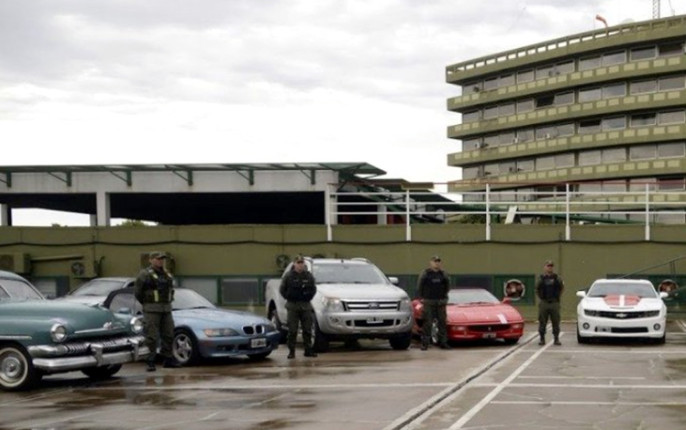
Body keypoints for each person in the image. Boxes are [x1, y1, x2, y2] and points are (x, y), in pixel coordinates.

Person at [135, 251, 181, 371]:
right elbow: (138, 292)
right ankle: (150, 360)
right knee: (152, 336)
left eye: (162, 259)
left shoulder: (166, 274)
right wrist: (147, 303)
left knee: (169, 334)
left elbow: (171, 290)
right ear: (151, 260)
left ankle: (168, 358)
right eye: (158, 259)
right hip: (151, 309)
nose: (160, 261)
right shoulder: (145, 274)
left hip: (166, 308)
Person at [279, 255, 318, 359]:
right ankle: (291, 351)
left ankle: (308, 350)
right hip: (293, 306)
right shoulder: (289, 276)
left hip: (305, 305)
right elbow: (282, 289)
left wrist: (308, 297)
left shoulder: (308, 276)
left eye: (302, 263)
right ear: (294, 264)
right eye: (298, 263)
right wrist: (288, 297)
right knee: (292, 330)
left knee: (307, 329)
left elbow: (313, 289)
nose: (300, 265)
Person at [417, 255, 450, 350]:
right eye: (435, 261)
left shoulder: (443, 274)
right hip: (429, 301)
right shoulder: (425, 274)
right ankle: (425, 343)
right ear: (431, 263)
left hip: (440, 302)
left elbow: (447, 286)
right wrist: (422, 298)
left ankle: (443, 342)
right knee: (427, 323)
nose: (437, 263)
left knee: (442, 323)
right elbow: (419, 286)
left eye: (438, 261)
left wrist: (444, 298)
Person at [536, 260, 565, 346]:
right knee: (542, 321)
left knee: (556, 321)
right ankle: (542, 338)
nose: (550, 267)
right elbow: (536, 289)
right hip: (544, 302)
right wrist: (541, 297)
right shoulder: (541, 278)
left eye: (551, 266)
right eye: (548, 266)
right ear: (545, 267)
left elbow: (562, 288)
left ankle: (556, 338)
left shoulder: (557, 278)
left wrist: (557, 297)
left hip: (554, 303)